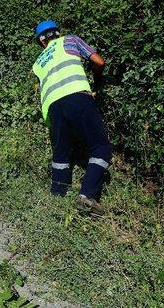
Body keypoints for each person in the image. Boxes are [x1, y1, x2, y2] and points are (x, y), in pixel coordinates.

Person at [31, 20, 112, 215]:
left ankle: (57, 197)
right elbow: (99, 61)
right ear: (57, 33)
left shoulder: (38, 63)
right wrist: (97, 83)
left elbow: (43, 90)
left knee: (61, 153)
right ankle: (87, 195)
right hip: (77, 97)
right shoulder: (70, 40)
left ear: (42, 42)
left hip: (52, 108)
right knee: (101, 147)